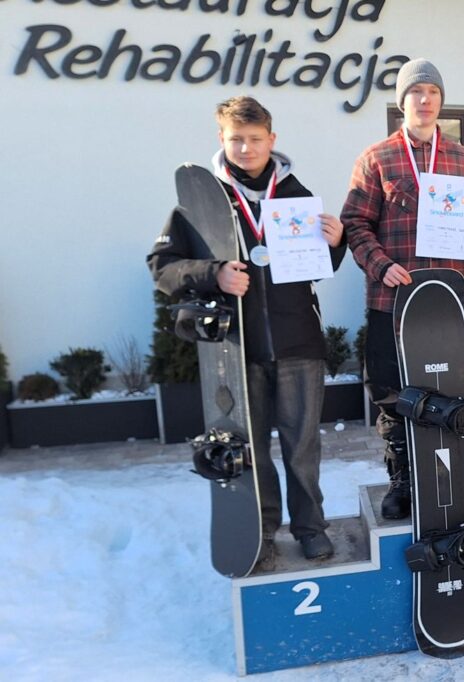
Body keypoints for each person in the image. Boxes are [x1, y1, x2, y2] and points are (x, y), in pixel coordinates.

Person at [148, 95, 346, 567]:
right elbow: (161, 266)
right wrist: (213, 273)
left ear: (271, 140)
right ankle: (262, 533)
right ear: (222, 138)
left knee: (302, 450)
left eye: (255, 139)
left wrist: (335, 244)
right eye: (236, 139)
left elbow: (315, 270)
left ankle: (310, 528)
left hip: (299, 344)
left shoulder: (296, 195)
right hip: (236, 350)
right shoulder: (201, 203)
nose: (246, 148)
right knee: (250, 450)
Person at [340, 58, 464, 520]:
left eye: (433, 92)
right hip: (393, 299)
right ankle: (403, 480)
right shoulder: (377, 158)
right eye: (416, 92)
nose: (425, 100)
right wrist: (380, 264)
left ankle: (449, 475)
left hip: (452, 300)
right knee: (393, 395)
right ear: (402, 101)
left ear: (441, 101)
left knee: (452, 391)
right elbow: (354, 224)